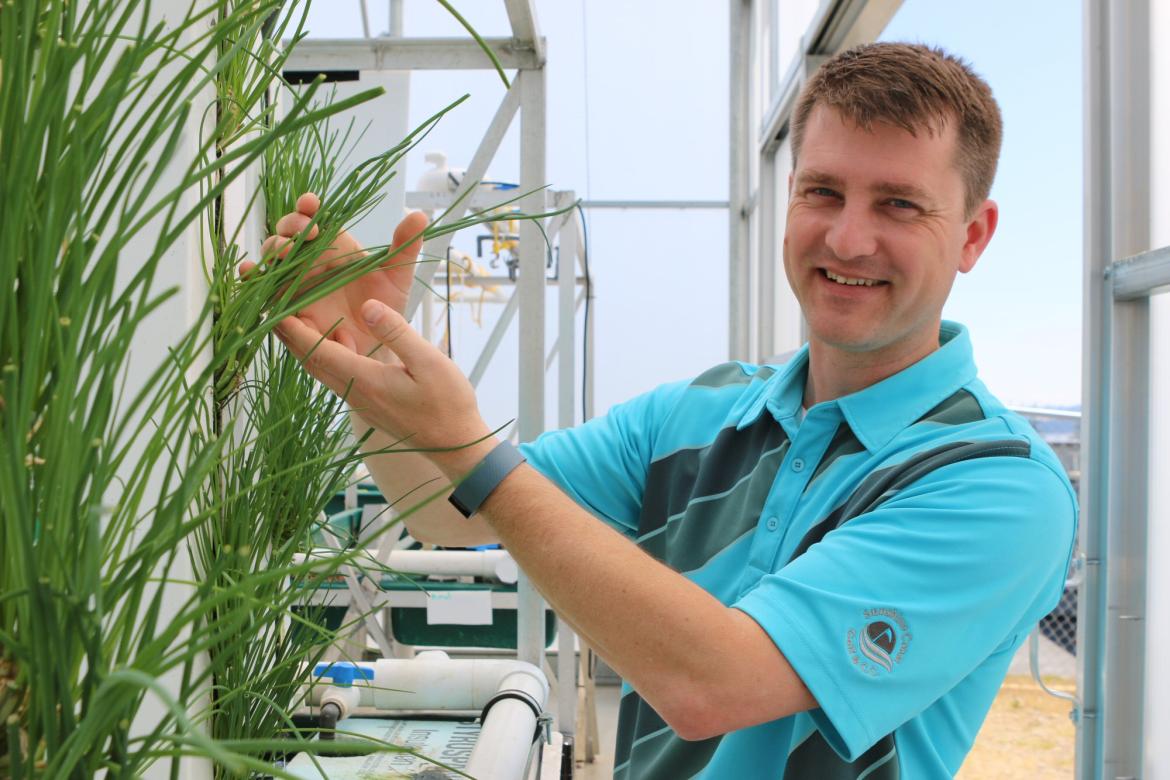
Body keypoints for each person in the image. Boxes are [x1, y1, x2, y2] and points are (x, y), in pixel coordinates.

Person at [264, 42, 1077, 779]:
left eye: (899, 205)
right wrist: (365, 368)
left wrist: (477, 454)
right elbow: (449, 513)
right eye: (822, 192)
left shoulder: (998, 485)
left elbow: (713, 683)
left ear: (974, 235)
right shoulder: (702, 411)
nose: (848, 239)